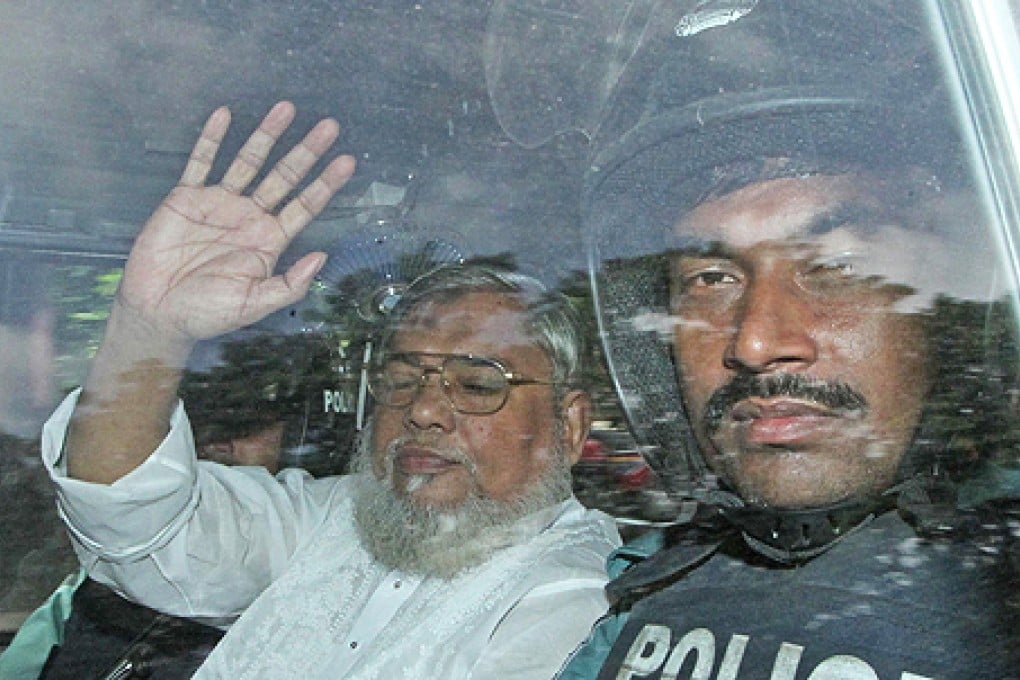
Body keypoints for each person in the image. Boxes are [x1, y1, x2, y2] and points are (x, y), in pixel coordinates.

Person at [37, 102, 619, 678]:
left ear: (567, 427)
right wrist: (149, 328)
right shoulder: (337, 518)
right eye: (400, 378)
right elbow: (134, 521)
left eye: (475, 384)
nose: (421, 408)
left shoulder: (577, 606)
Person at [557, 2, 1020, 678]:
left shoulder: (999, 583)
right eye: (711, 278)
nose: (755, 342)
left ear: (950, 311)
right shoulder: (655, 587)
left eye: (836, 266)